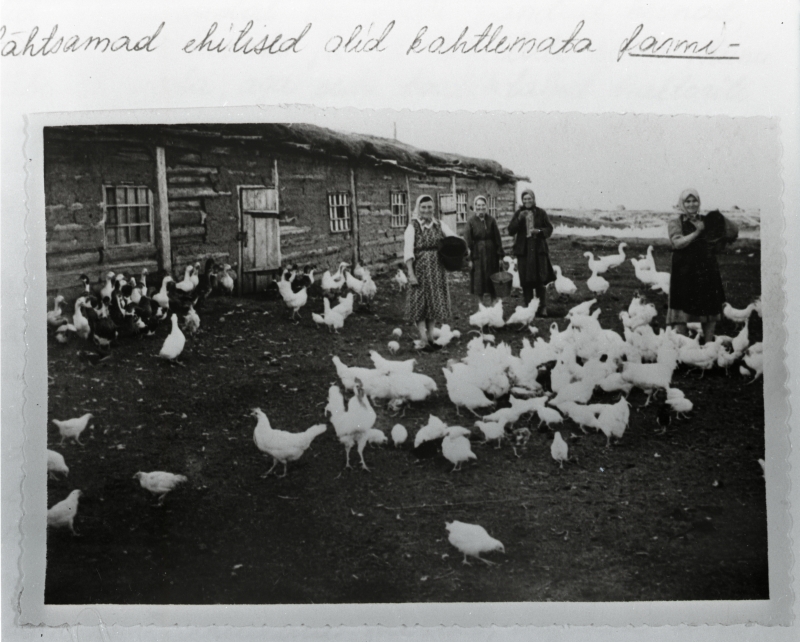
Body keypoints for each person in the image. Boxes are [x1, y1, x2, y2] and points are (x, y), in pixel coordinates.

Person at [666, 188, 738, 342]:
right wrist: (697, 232)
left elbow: (732, 233)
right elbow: (677, 243)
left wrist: (721, 222)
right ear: (682, 203)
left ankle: (708, 345)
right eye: (688, 201)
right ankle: (683, 347)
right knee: (681, 307)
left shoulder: (707, 220)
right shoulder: (675, 222)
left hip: (706, 269)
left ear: (699, 202)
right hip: (684, 270)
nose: (692, 204)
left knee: (709, 307)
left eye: (695, 200)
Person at [404, 195, 457, 352]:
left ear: (434, 208)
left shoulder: (439, 224)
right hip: (419, 269)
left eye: (429, 207)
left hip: (436, 270)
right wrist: (411, 274)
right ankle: (422, 338)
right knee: (420, 304)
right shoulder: (412, 227)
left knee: (433, 303)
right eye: (423, 207)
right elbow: (408, 252)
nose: (427, 210)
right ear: (418, 209)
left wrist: (461, 249)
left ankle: (431, 338)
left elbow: (454, 238)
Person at [506, 189, 556, 315]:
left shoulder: (541, 213)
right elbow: (510, 230)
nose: (527, 201)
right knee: (526, 280)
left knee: (540, 278)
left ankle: (542, 307)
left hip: (539, 250)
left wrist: (538, 232)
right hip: (524, 251)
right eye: (525, 199)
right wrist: (519, 219)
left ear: (533, 199)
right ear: (522, 200)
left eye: (529, 198)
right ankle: (529, 308)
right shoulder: (519, 213)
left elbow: (549, 229)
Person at [464, 195, 505, 304]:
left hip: (492, 256)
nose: (480, 207)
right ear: (475, 206)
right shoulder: (471, 221)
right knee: (479, 283)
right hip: (478, 255)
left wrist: (500, 256)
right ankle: (481, 308)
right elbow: (467, 242)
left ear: (486, 206)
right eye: (478, 205)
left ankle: (494, 307)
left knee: (493, 281)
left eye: (483, 205)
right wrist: (470, 259)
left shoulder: (491, 220)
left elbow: (498, 239)